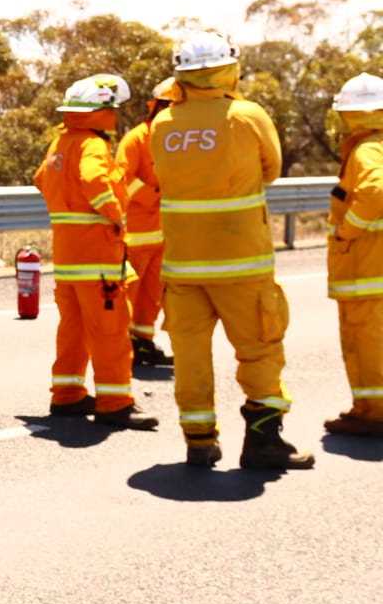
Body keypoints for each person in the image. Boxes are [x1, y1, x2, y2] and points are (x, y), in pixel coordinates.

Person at [148, 31, 311, 469]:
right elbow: (271, 170)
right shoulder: (247, 115)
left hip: (183, 267)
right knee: (260, 351)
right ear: (229, 70)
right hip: (241, 264)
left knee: (190, 358)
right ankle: (264, 442)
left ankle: (199, 442)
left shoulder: (162, 124)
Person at [33, 74, 158, 429]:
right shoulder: (92, 145)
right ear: (99, 112)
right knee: (110, 332)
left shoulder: (59, 143)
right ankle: (115, 403)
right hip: (98, 259)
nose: (114, 115)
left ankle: (67, 395)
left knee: (73, 330)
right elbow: (94, 180)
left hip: (68, 258)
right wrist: (115, 215)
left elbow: (42, 179)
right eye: (111, 109)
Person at [324, 72, 383, 437]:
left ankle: (372, 413)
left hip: (367, 270)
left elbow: (376, 192)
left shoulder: (366, 150)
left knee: (365, 344)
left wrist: (348, 230)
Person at [115, 79, 179, 367]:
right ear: (156, 107)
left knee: (152, 297)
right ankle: (121, 346)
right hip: (136, 236)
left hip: (163, 237)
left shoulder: (175, 140)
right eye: (168, 106)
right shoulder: (136, 139)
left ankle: (143, 342)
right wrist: (155, 195)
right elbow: (123, 179)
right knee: (129, 293)